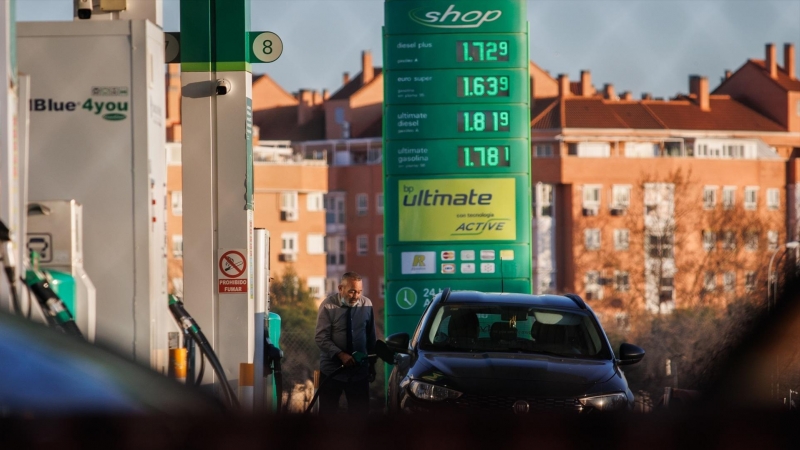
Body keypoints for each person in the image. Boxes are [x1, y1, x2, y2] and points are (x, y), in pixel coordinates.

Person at [314, 272, 376, 415]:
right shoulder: (328, 306)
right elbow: (321, 337)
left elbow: (371, 336)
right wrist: (340, 355)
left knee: (360, 416)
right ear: (340, 288)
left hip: (359, 372)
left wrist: (372, 364)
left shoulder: (366, 305)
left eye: (359, 292)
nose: (356, 296)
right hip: (332, 371)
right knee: (328, 416)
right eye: (352, 291)